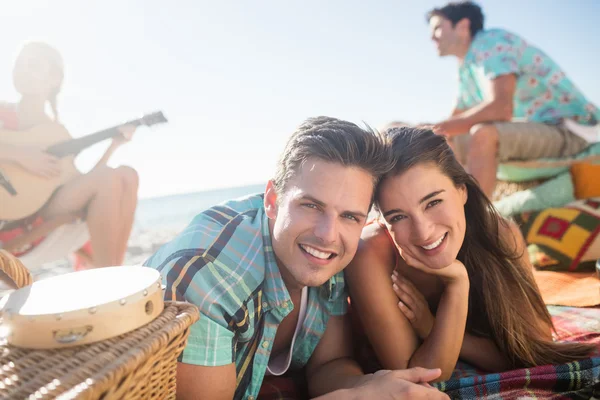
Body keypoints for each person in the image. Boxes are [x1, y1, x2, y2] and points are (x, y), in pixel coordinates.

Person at [144, 117, 449, 399]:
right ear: (273, 201)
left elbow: (330, 363)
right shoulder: (209, 277)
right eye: (311, 206)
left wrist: (371, 386)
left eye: (349, 216)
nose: (328, 234)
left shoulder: (333, 254)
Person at [345, 126, 594, 381]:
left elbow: (535, 348)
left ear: (461, 190)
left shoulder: (500, 233)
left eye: (433, 202)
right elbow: (420, 377)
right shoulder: (370, 255)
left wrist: (435, 321)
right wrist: (456, 288)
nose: (423, 232)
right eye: (397, 216)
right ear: (382, 221)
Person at [426, 1, 600, 197]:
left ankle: (477, 221)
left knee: (483, 134)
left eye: (438, 28)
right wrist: (422, 133)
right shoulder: (466, 65)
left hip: (571, 129)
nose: (431, 36)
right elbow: (454, 121)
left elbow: (501, 108)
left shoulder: (490, 42)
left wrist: (433, 130)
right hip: (538, 128)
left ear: (463, 26)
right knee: (441, 142)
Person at [0, 41, 139, 268]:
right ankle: (113, 280)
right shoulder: (2, 113)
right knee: (111, 177)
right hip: (10, 222)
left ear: (54, 79)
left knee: (126, 175)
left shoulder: (56, 132)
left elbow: (81, 183)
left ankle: (113, 273)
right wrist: (20, 155)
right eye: (19, 65)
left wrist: (112, 146)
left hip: (43, 211)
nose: (23, 71)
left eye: (33, 65)